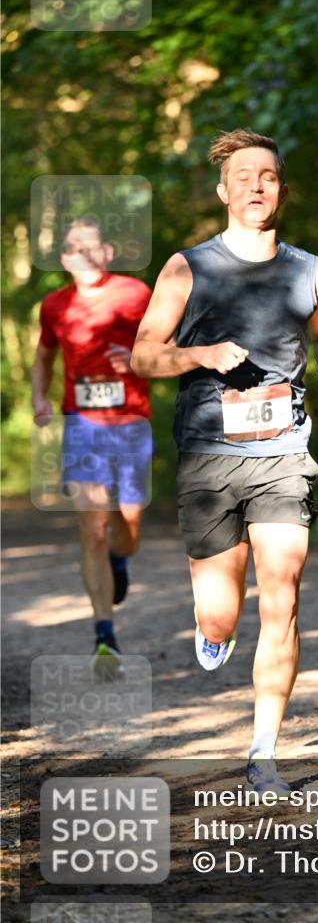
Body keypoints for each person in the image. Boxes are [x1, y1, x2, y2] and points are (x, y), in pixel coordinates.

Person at [131, 128, 318, 792]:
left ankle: (263, 754)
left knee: (281, 598)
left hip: (284, 451)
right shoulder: (186, 268)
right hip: (208, 454)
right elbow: (144, 354)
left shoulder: (309, 269)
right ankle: (212, 628)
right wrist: (199, 355)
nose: (257, 187)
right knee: (223, 612)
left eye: (269, 177)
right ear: (223, 191)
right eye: (244, 177)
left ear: (280, 189)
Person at [31, 217, 153, 672]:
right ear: (63, 258)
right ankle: (105, 634)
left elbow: (169, 346)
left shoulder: (136, 294)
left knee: (128, 528)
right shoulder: (55, 306)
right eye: (72, 247)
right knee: (93, 529)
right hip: (81, 423)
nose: (82, 253)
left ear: (106, 253)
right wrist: (40, 398)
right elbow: (43, 357)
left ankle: (122, 560)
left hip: (131, 422)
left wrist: (137, 361)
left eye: (90, 245)